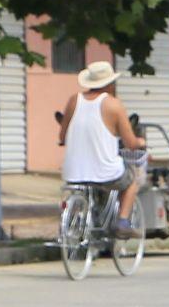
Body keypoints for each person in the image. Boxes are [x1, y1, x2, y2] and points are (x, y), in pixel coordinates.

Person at [58, 61, 146, 235]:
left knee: (86, 188)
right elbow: (130, 143)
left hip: (73, 172)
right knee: (133, 179)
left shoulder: (73, 101)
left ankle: (74, 227)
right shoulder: (114, 105)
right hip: (105, 173)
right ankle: (122, 222)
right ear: (110, 84)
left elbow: (62, 136)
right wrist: (140, 142)